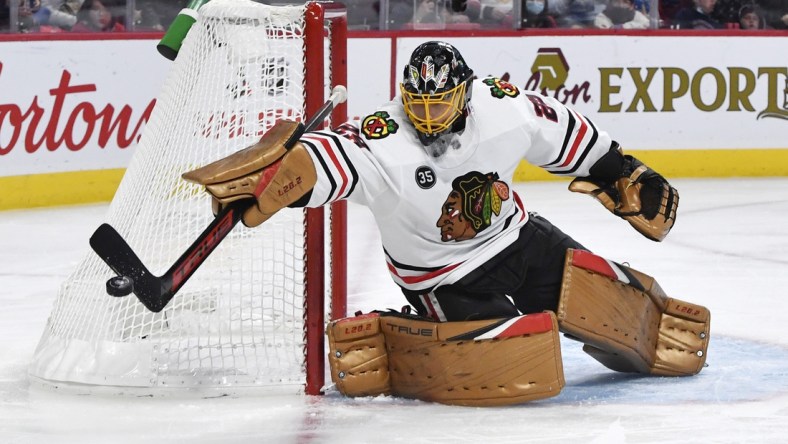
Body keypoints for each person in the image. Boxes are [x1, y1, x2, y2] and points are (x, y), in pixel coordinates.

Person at [182, 41, 710, 406]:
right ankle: (397, 337)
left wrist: (619, 170)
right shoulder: (381, 137)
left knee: (626, 306)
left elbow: (565, 133)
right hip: (444, 275)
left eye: (441, 103)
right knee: (519, 358)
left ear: (466, 91)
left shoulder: (504, 107)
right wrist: (280, 176)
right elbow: (327, 159)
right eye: (419, 104)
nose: (429, 117)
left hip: (520, 240)